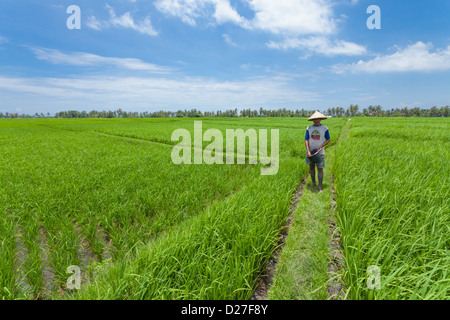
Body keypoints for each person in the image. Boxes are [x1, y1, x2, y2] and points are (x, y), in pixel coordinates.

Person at [305, 111, 331, 193]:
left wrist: (321, 146)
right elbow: (306, 140)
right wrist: (308, 151)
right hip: (310, 152)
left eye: (318, 119)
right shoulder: (309, 128)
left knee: (320, 169)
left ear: (320, 119)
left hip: (320, 153)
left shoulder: (324, 128)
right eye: (315, 119)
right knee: (311, 168)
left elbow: (328, 140)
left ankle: (320, 186)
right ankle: (313, 183)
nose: (316, 120)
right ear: (313, 120)